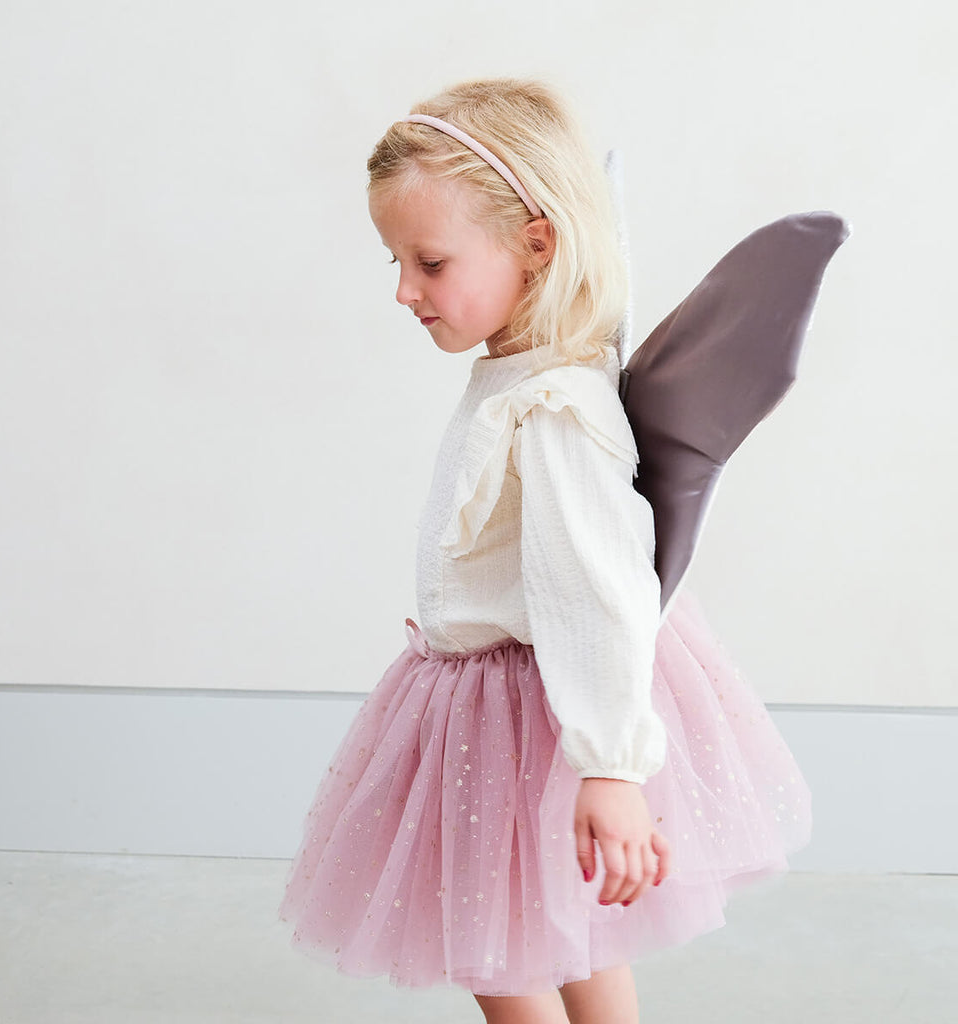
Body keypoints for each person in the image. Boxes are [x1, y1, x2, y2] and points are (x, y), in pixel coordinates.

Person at [278, 77, 812, 1024]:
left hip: (534, 708)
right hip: (497, 695)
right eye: (397, 261)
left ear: (537, 243)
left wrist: (610, 767)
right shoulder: (524, 372)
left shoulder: (555, 407)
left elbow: (599, 587)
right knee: (557, 934)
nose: (404, 290)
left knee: (497, 941)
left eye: (430, 262)